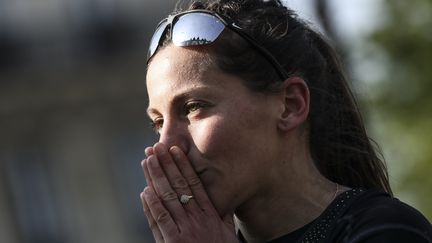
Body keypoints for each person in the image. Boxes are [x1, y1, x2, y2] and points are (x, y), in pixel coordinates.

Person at [139, 0, 432, 242]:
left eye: (193, 107)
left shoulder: (385, 230)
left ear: (290, 105)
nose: (166, 144)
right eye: (158, 122)